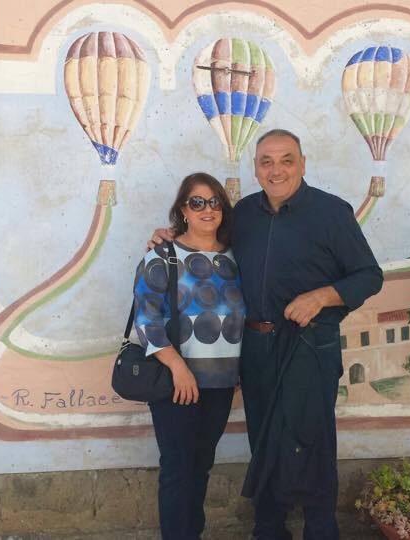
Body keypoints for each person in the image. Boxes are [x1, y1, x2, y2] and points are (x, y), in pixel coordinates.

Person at [149, 130, 383, 540]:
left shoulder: (331, 212)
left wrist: (322, 296)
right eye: (266, 161)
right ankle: (270, 529)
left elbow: (369, 276)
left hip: (310, 345)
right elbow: (207, 245)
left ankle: (321, 531)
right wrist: (168, 238)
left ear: (303, 164)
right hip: (255, 348)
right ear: (256, 168)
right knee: (265, 441)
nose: (277, 170)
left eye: (287, 160)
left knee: (311, 440)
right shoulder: (243, 214)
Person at [133, 172, 245, 540]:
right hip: (177, 381)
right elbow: (146, 320)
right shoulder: (162, 256)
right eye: (197, 202)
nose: (207, 209)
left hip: (221, 382)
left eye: (214, 201)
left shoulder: (236, 256)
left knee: (200, 467)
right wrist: (178, 367)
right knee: (178, 469)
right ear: (183, 209)